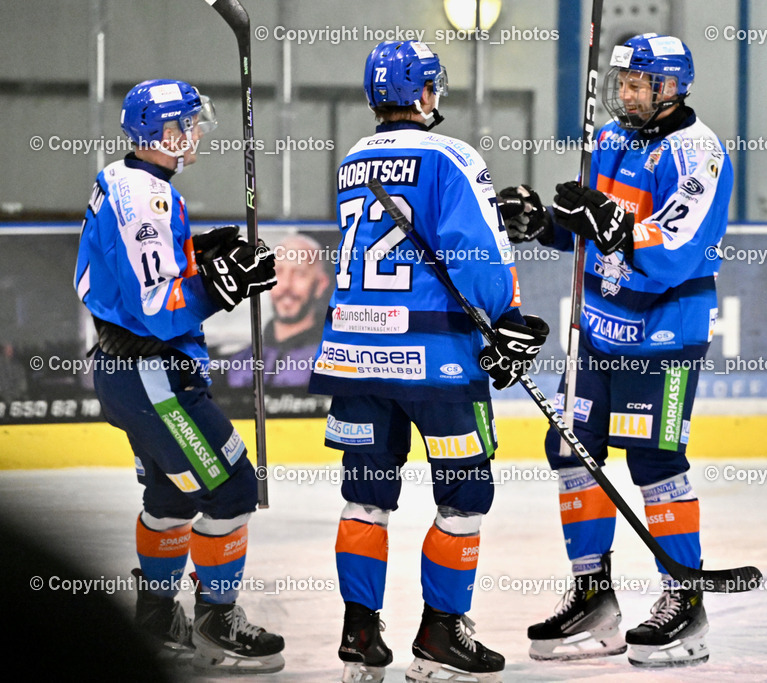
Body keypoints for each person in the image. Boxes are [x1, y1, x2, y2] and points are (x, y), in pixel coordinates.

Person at [307, 41, 548, 683]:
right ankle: (441, 632)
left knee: (365, 497)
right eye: (433, 87)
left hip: (357, 358)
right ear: (421, 94)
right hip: (435, 358)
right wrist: (505, 322)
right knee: (465, 495)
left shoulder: (353, 159)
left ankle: (359, 629)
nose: (437, 97)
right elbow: (476, 256)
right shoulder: (452, 155)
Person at [498, 34, 733, 667]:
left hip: (664, 332)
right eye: (622, 85)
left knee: (655, 458)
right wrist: (545, 224)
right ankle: (594, 597)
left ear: (671, 88)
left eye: (638, 86)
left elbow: (672, 250)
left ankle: (684, 601)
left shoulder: (698, 153)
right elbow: (591, 237)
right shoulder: (608, 140)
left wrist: (614, 223)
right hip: (597, 331)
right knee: (571, 450)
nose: (625, 95)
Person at [73, 79, 284, 673]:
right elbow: (157, 307)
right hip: (152, 373)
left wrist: (204, 253)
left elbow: (146, 269)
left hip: (129, 375)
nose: (196, 134)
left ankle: (158, 617)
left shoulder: (126, 179)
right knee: (235, 485)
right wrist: (224, 286)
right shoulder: (149, 197)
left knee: (169, 495)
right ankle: (217, 620)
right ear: (164, 134)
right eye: (187, 124)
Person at [226, 233, 330, 388]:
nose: (286, 285)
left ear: (321, 284)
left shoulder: (335, 363)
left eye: (299, 273)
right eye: (278, 272)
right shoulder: (237, 364)